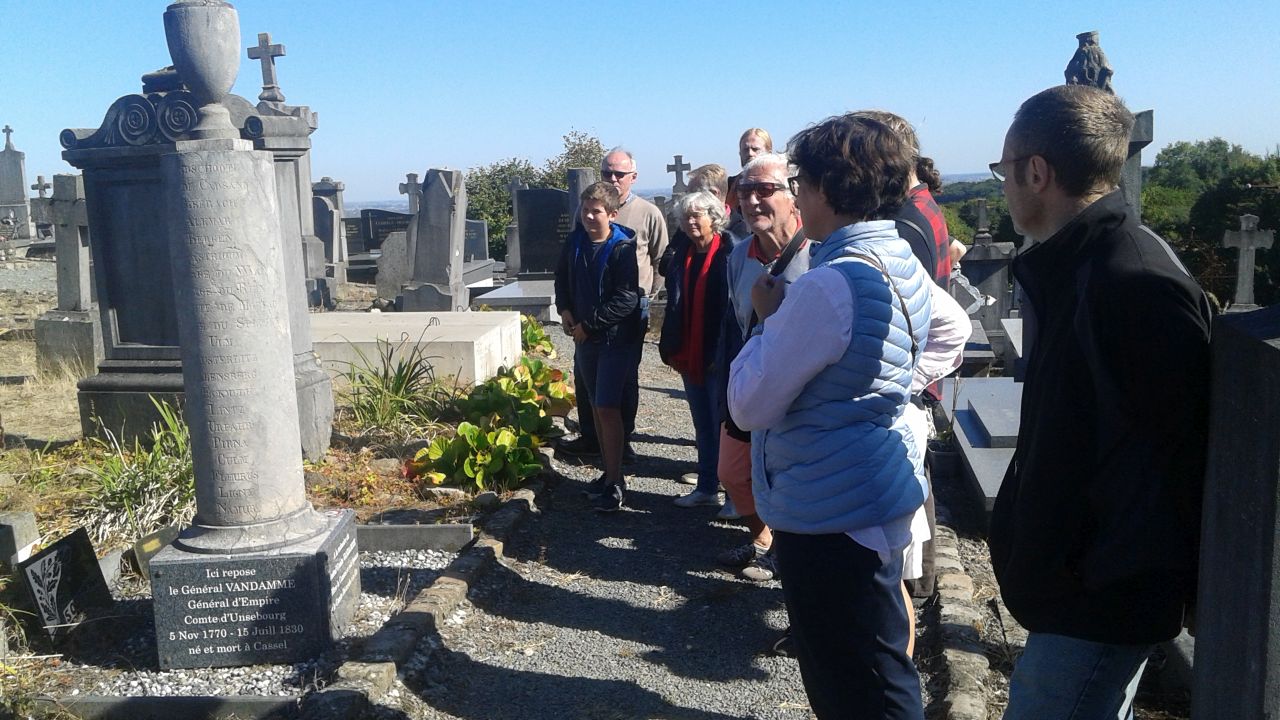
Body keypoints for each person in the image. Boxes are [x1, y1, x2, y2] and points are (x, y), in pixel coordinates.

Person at [987, 84, 1212, 720]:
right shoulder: (1086, 266)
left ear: (1037, 171)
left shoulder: (1131, 281)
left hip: (1098, 599)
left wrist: (1081, 576)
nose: (1004, 183)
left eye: (1006, 169)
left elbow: (1167, 464)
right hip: (1077, 583)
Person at [729, 113, 931, 719]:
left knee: (850, 678)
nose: (796, 192)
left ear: (826, 189)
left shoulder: (830, 284)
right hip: (867, 483)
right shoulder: (898, 257)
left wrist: (766, 320)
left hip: (827, 504)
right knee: (880, 660)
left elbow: (748, 402)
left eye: (800, 180)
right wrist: (884, 395)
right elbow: (951, 326)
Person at [853, 111, 952, 601]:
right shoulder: (921, 206)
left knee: (910, 488)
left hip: (904, 374)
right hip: (914, 373)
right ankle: (916, 589)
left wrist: (901, 378)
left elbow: (927, 313)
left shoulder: (903, 223)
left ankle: (910, 596)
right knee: (916, 480)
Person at [715, 151, 810, 580]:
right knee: (733, 473)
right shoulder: (738, 258)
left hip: (806, 399)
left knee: (796, 490)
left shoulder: (820, 253)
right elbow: (738, 324)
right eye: (745, 191)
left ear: (794, 195)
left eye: (765, 190)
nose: (752, 200)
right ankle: (764, 537)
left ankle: (787, 564)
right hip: (756, 386)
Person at [559, 148, 669, 464]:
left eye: (620, 174)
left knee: (623, 380)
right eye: (607, 173)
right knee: (585, 376)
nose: (613, 178)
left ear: (633, 177)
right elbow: (565, 270)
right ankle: (593, 438)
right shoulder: (587, 218)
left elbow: (660, 258)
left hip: (628, 310)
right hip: (587, 310)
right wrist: (566, 306)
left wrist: (647, 294)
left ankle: (623, 441)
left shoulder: (648, 213)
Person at [553, 182, 645, 512]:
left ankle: (616, 480)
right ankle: (608, 475)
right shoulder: (575, 241)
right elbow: (562, 278)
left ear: (612, 214)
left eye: (597, 211)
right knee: (594, 406)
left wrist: (588, 326)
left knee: (607, 407)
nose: (590, 217)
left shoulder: (621, 248)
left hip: (613, 340)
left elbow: (626, 299)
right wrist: (564, 309)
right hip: (585, 339)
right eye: (586, 210)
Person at [659, 191, 732, 508]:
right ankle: (706, 486)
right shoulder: (681, 255)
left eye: (696, 215)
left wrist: (721, 351)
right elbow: (674, 305)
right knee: (703, 424)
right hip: (690, 351)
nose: (690, 221)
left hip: (719, 353)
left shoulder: (729, 252)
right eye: (685, 216)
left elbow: (733, 309)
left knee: (726, 427)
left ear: (714, 218)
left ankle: (734, 495)